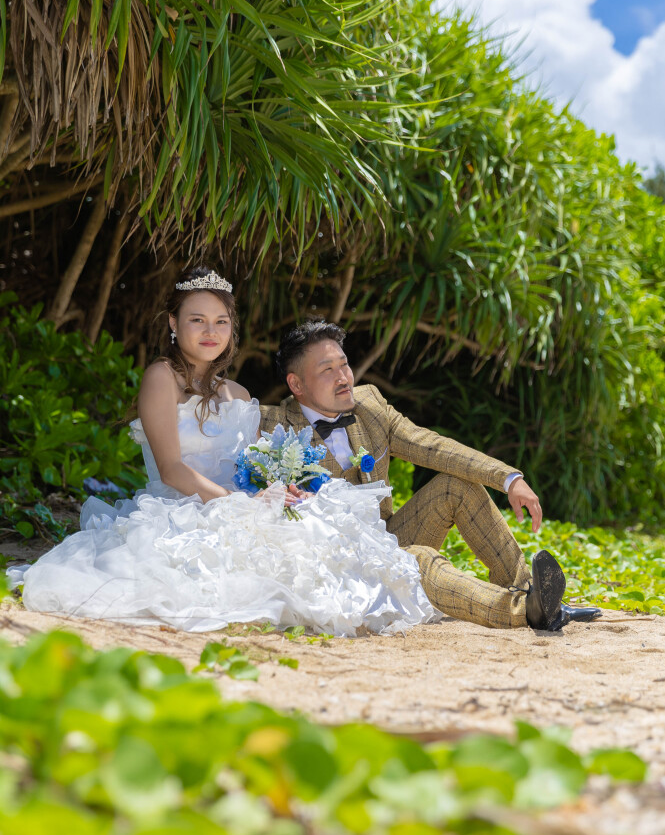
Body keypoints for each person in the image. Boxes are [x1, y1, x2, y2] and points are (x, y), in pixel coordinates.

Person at [13, 270, 438, 636]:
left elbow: (250, 466)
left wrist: (277, 489)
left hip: (241, 504)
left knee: (318, 534)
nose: (210, 331)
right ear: (173, 322)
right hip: (182, 509)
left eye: (221, 321)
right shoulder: (161, 378)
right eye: (197, 320)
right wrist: (241, 503)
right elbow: (172, 469)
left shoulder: (237, 392)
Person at [263, 319, 602, 632]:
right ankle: (525, 611)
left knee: (454, 486)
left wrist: (508, 478)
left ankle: (530, 592)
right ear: (296, 384)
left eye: (344, 364)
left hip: (386, 536)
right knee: (419, 561)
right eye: (327, 370)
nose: (343, 377)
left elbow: (431, 446)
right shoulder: (272, 427)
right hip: (338, 567)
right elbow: (238, 479)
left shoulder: (370, 405)